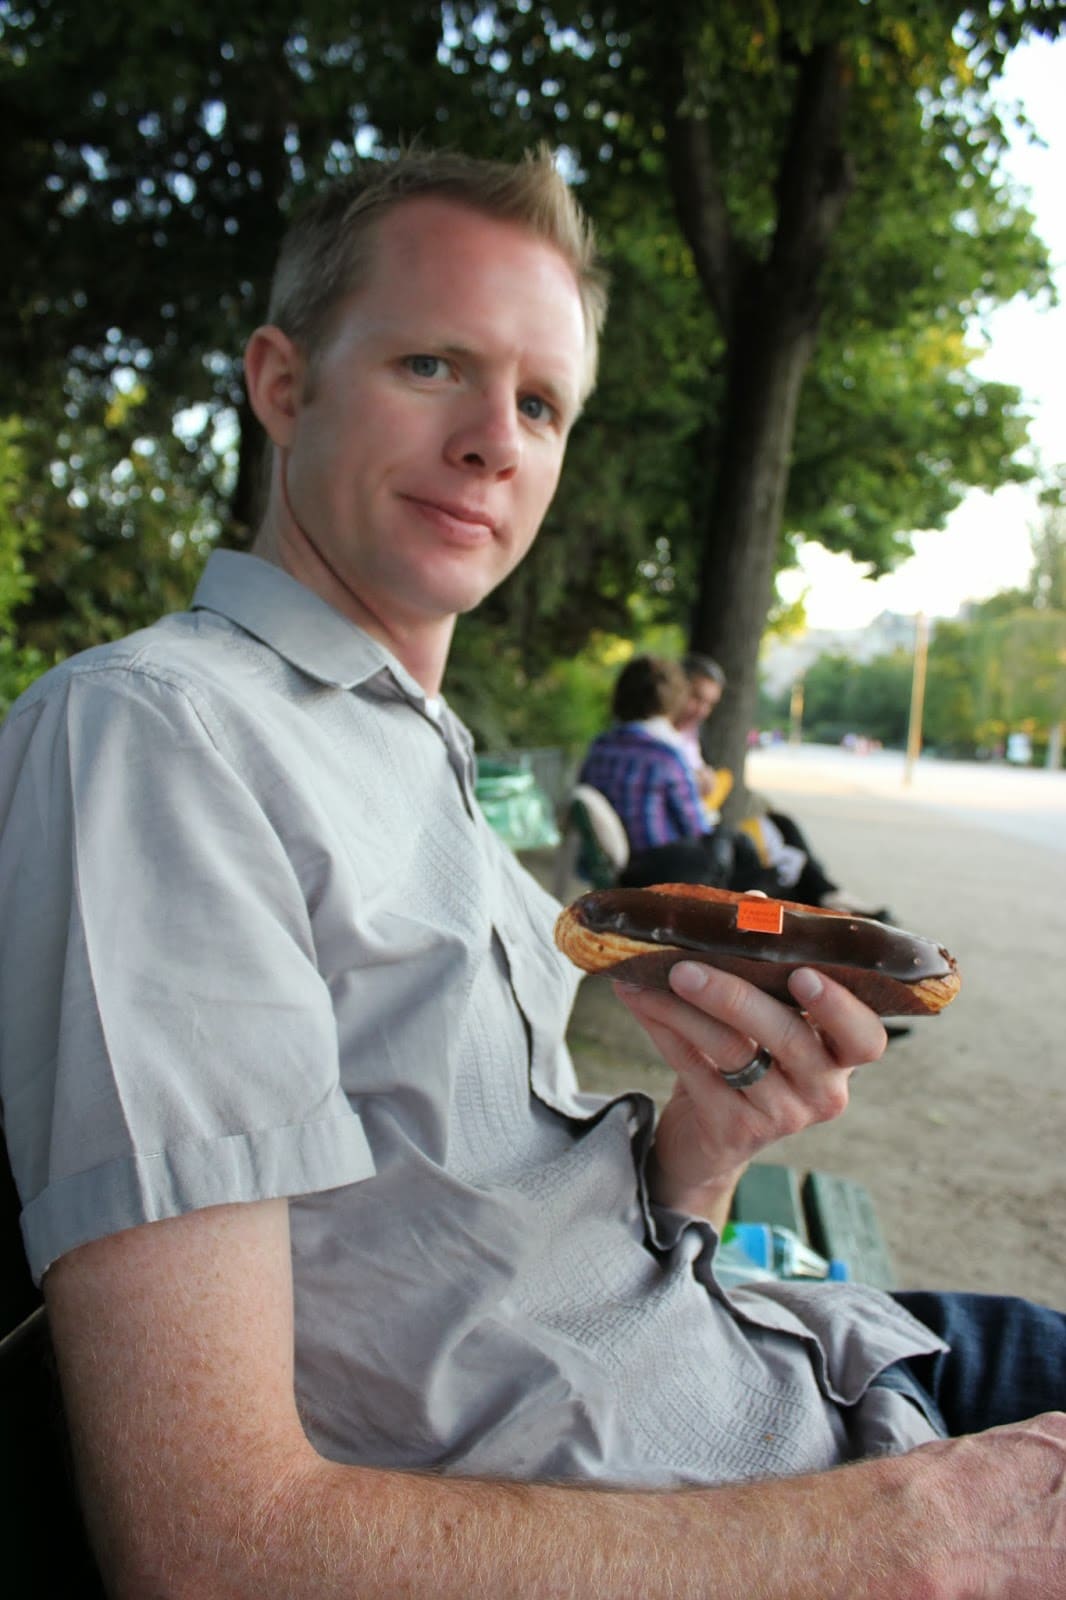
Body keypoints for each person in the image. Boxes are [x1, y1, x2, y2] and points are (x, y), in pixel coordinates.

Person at [1, 146, 1064, 1600]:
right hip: (796, 1513)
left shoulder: (418, 748)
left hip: (807, 1369)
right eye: (435, 363)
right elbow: (210, 1546)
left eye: (542, 403)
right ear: (282, 382)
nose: (497, 440)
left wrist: (704, 1144)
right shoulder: (158, 737)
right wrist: (899, 1543)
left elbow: (483, 1265)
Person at [676, 651, 889, 916]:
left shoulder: (692, 735)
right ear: (675, 689)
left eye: (709, 703)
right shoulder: (662, 744)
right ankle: (829, 901)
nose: (701, 710)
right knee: (778, 862)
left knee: (782, 824)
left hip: (709, 827)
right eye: (696, 698)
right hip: (699, 838)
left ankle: (830, 895)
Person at [578, 654, 768, 890]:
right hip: (659, 868)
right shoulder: (664, 755)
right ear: (672, 699)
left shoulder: (599, 747)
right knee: (734, 843)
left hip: (616, 865)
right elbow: (695, 826)